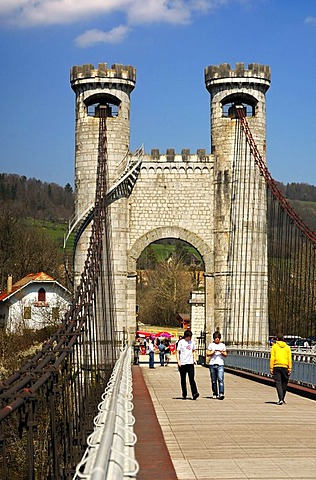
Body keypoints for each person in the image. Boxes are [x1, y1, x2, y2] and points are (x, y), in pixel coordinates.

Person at [176, 330, 199, 400]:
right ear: (186, 336)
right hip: (183, 363)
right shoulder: (181, 342)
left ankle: (195, 393)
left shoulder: (192, 342)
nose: (190, 338)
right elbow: (177, 352)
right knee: (183, 379)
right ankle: (184, 393)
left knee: (191, 378)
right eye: (189, 337)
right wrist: (178, 361)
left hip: (190, 363)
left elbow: (193, 351)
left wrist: (194, 359)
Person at [270, 333, 292, 405]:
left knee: (278, 383)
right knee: (284, 383)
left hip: (276, 366)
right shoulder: (287, 347)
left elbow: (272, 358)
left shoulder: (274, 347)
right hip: (285, 366)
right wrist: (290, 368)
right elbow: (289, 359)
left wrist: (271, 367)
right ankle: (282, 398)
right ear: (283, 339)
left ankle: (280, 399)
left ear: (276, 339)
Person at [206, 331, 227, 400]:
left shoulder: (222, 345)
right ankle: (215, 393)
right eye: (215, 338)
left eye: (218, 338)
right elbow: (207, 354)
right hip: (212, 364)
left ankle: (221, 393)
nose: (217, 339)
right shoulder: (211, 345)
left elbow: (225, 355)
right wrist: (213, 352)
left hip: (220, 364)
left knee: (220, 379)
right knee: (213, 380)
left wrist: (222, 352)